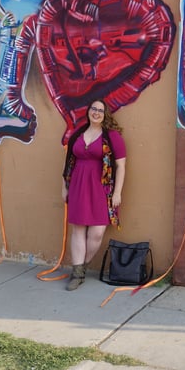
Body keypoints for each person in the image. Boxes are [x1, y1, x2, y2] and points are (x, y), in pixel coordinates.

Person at [61, 100, 126, 291]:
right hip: (78, 186)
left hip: (101, 188)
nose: (96, 113)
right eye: (93, 109)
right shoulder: (78, 134)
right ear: (88, 111)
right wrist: (64, 187)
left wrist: (118, 193)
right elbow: (68, 163)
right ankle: (77, 273)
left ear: (105, 114)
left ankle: (81, 267)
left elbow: (121, 166)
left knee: (97, 233)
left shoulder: (112, 136)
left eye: (100, 110)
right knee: (78, 229)